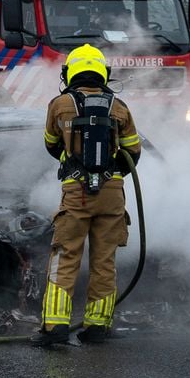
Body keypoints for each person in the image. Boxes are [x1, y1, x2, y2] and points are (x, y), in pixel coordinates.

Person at [32, 44, 142, 347]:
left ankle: (55, 326)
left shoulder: (60, 104)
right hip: (112, 194)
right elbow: (133, 152)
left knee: (65, 256)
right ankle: (97, 327)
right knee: (104, 261)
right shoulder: (119, 106)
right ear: (103, 72)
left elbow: (51, 144)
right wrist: (108, 174)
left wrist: (75, 163)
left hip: (76, 193)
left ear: (69, 73)